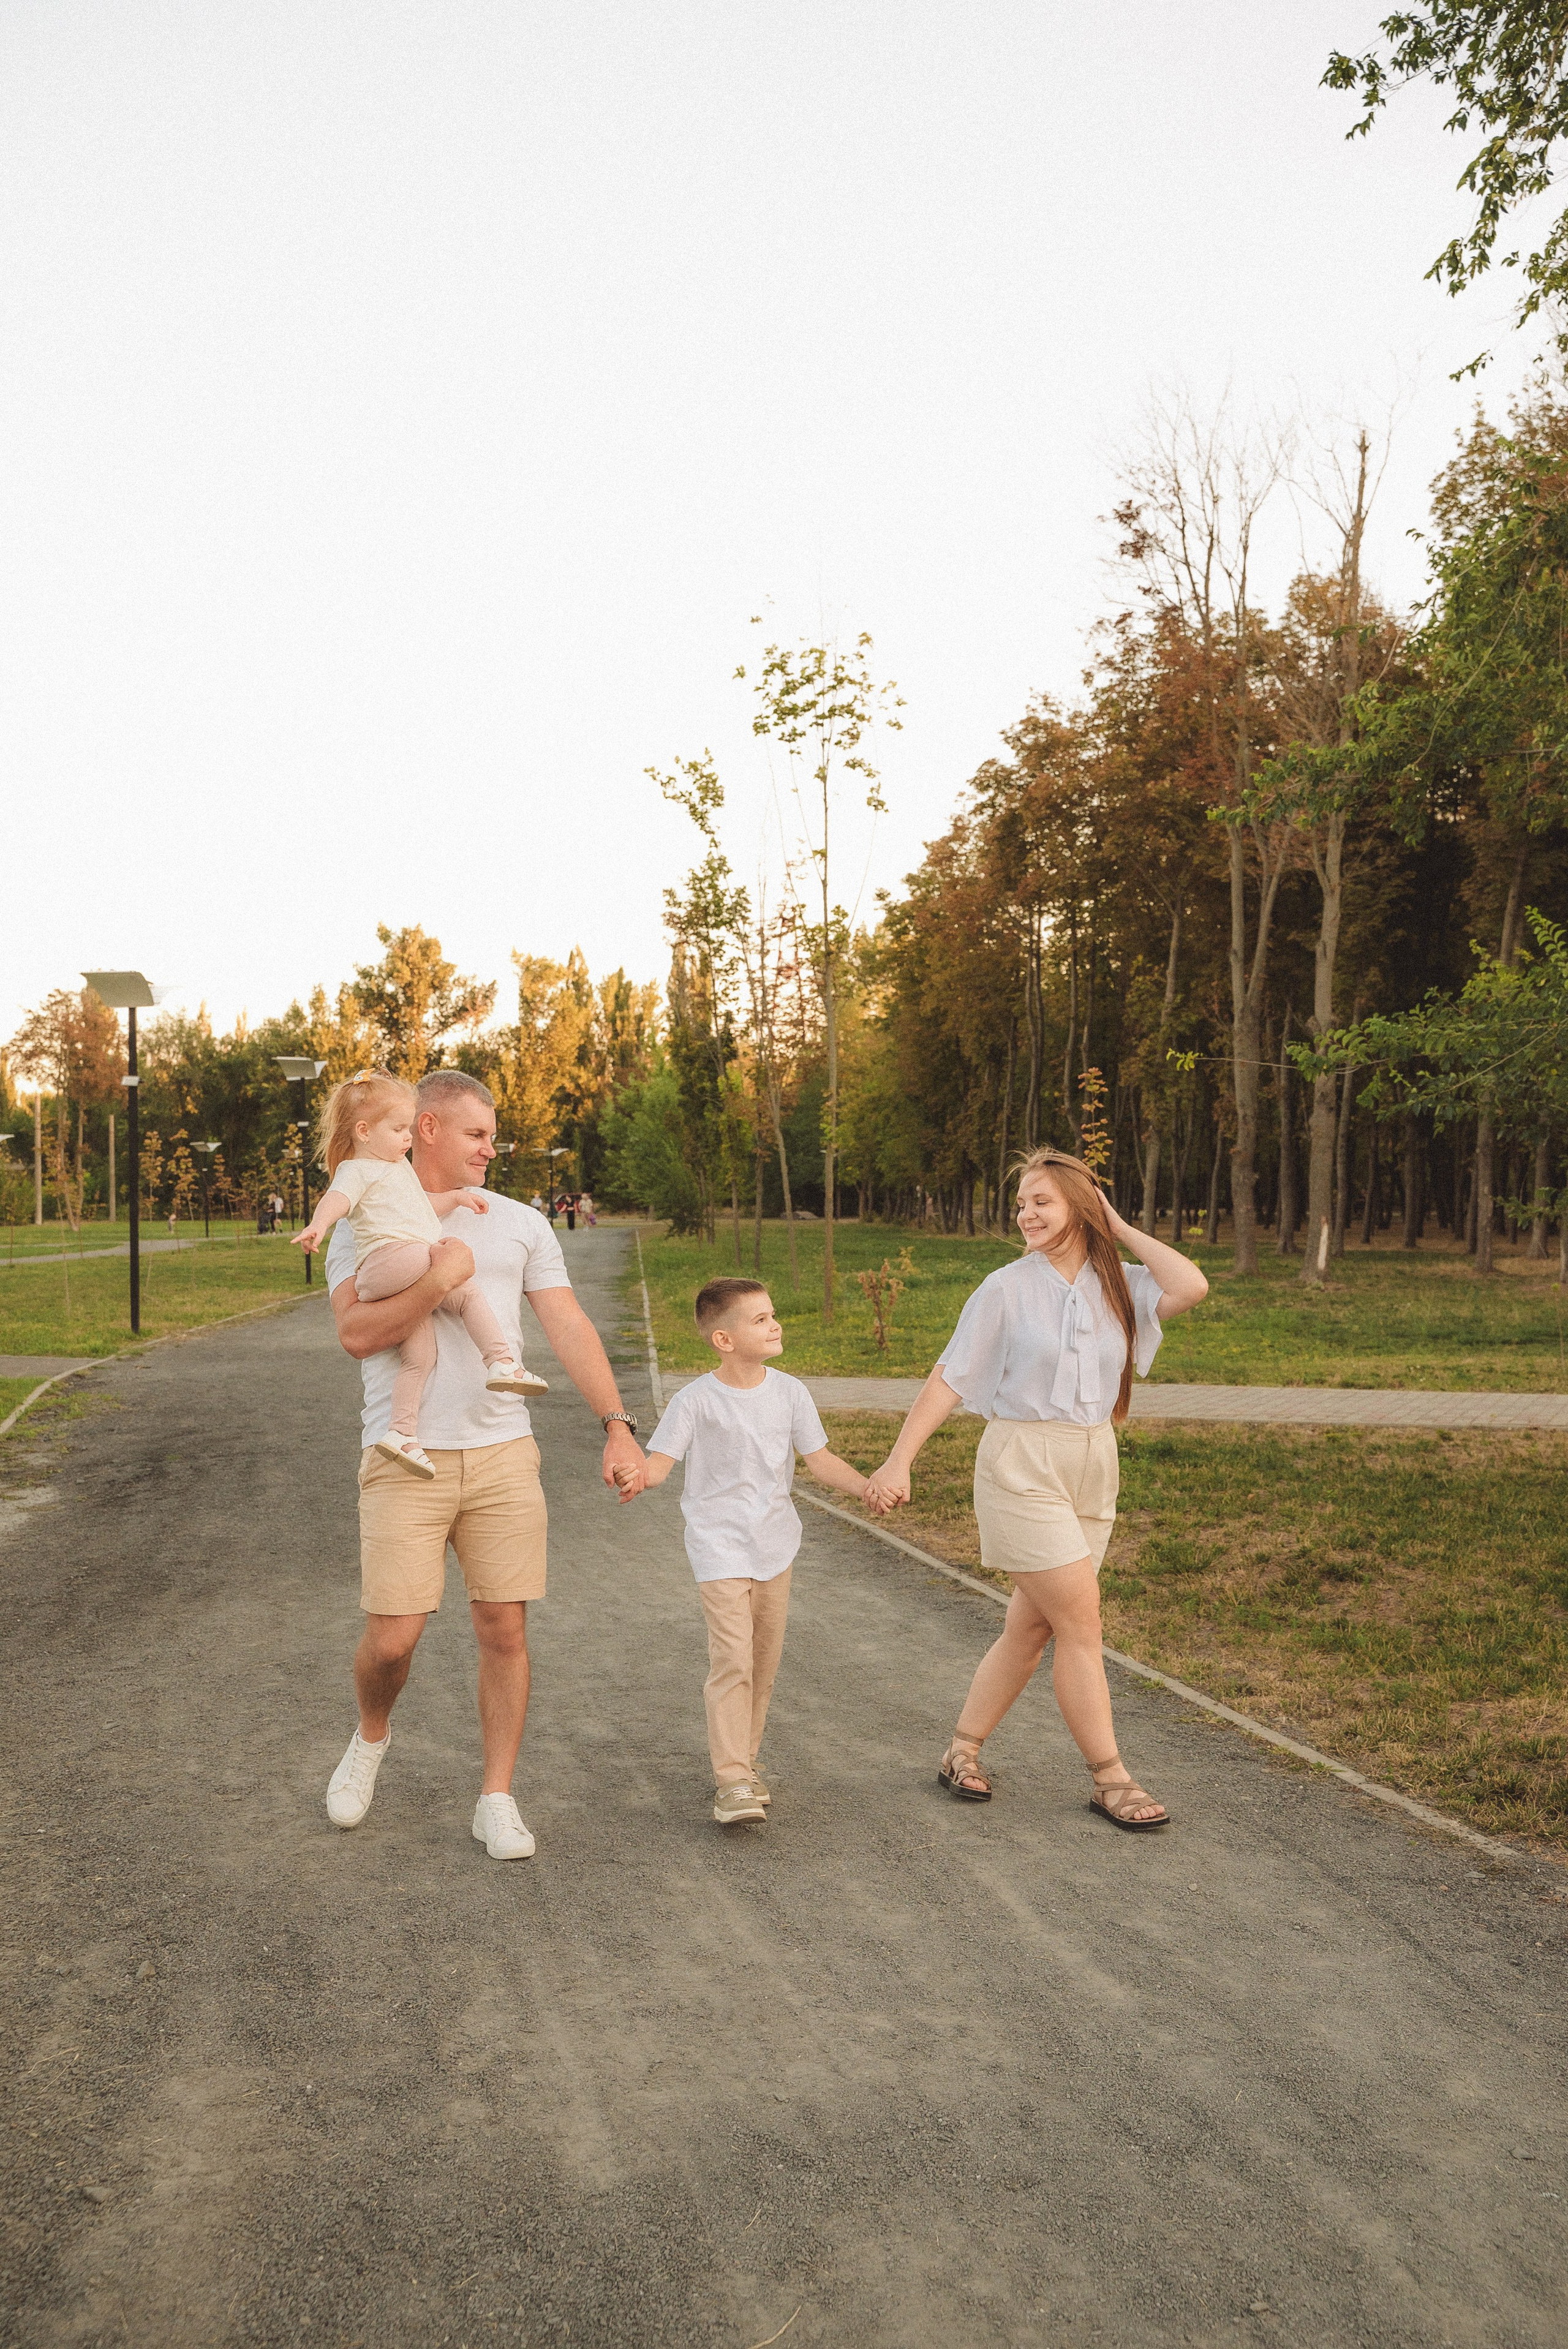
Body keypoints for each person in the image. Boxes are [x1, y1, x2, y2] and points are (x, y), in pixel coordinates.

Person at [323, 1068, 646, 1860]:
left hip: (503, 1451)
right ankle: (370, 1736)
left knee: (504, 1627)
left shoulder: (521, 1222)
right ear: (427, 1128)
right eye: (476, 1134)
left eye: (493, 1136)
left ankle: (496, 1796)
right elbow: (357, 1334)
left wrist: (618, 1424)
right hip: (404, 1453)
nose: (490, 1149)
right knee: (392, 1639)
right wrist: (438, 1275)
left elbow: (567, 1324)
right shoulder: (364, 1216)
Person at [865, 1147, 1208, 1830]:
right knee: (1081, 1622)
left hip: (1094, 1463)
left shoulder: (1122, 1284)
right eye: (1021, 1203)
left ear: (1081, 1206)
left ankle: (961, 1749)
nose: (1025, 1214)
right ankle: (1110, 1778)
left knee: (1031, 1628)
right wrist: (899, 1460)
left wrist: (1116, 1226)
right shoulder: (1005, 1289)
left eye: (1041, 1201)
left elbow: (1192, 1285)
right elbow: (951, 1376)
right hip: (1021, 1465)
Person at [614, 1276, 883, 1824]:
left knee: (762, 1662)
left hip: (776, 1544)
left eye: (773, 1314)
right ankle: (732, 1779)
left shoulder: (790, 1393)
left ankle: (747, 1760)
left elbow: (820, 1460)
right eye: (760, 1319)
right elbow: (659, 1465)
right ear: (724, 1339)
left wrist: (867, 1488)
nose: (775, 1324)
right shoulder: (694, 1401)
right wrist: (634, 1475)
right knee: (733, 1658)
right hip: (719, 1547)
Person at [295, 1070, 547, 1479]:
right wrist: (318, 1226)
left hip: (392, 1272)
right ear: (364, 1132)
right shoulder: (359, 1168)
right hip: (390, 1261)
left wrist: (458, 1198)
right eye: (398, 1129)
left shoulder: (395, 1170)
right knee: (460, 1279)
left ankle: (402, 1434)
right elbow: (336, 1199)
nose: (407, 1137)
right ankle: (501, 1361)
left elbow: (422, 1207)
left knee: (419, 1358)